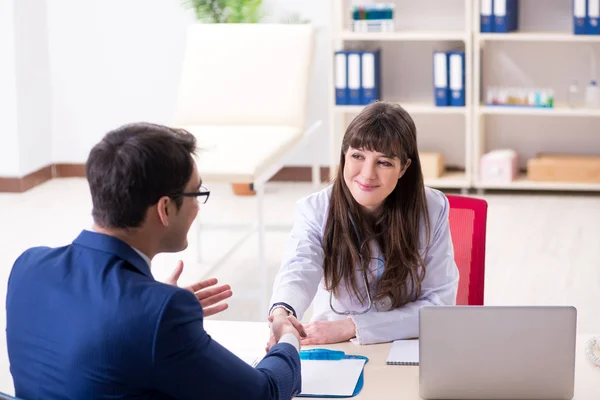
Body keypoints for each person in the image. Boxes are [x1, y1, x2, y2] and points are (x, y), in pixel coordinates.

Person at [6, 122, 305, 400]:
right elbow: (265, 392)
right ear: (164, 209)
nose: (198, 208)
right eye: (196, 193)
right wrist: (288, 338)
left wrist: (153, 305)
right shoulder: (159, 314)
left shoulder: (28, 267)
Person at [268, 101, 459, 347]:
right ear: (344, 156)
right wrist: (283, 311)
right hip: (335, 346)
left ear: (404, 168)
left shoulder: (432, 208)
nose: (367, 174)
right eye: (358, 156)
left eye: (384, 162)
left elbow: (440, 305)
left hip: (405, 344)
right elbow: (299, 268)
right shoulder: (316, 210)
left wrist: (352, 326)